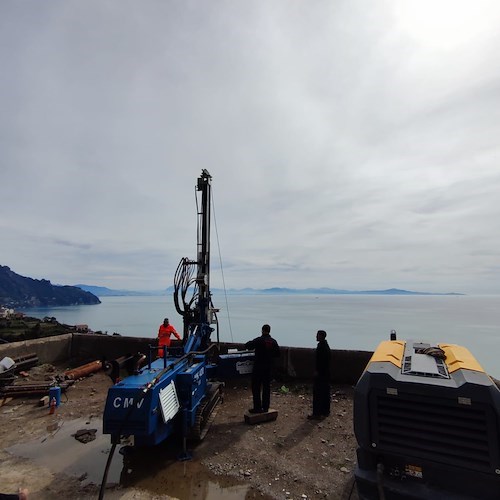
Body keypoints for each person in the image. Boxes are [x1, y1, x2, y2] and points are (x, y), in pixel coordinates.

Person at [245, 324, 280, 413]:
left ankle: (257, 407)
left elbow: (248, 345)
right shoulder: (273, 342)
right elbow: (278, 354)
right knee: (266, 388)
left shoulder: (259, 340)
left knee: (256, 387)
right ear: (269, 331)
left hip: (258, 367)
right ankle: (265, 407)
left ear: (262, 330)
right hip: (268, 368)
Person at [308, 330, 331, 420]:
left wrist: (317, 371)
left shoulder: (321, 347)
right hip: (326, 374)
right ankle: (325, 411)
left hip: (321, 374)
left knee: (318, 393)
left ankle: (317, 413)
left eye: (317, 335)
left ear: (321, 336)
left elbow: (321, 361)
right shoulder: (325, 346)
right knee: (325, 392)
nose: (316, 337)